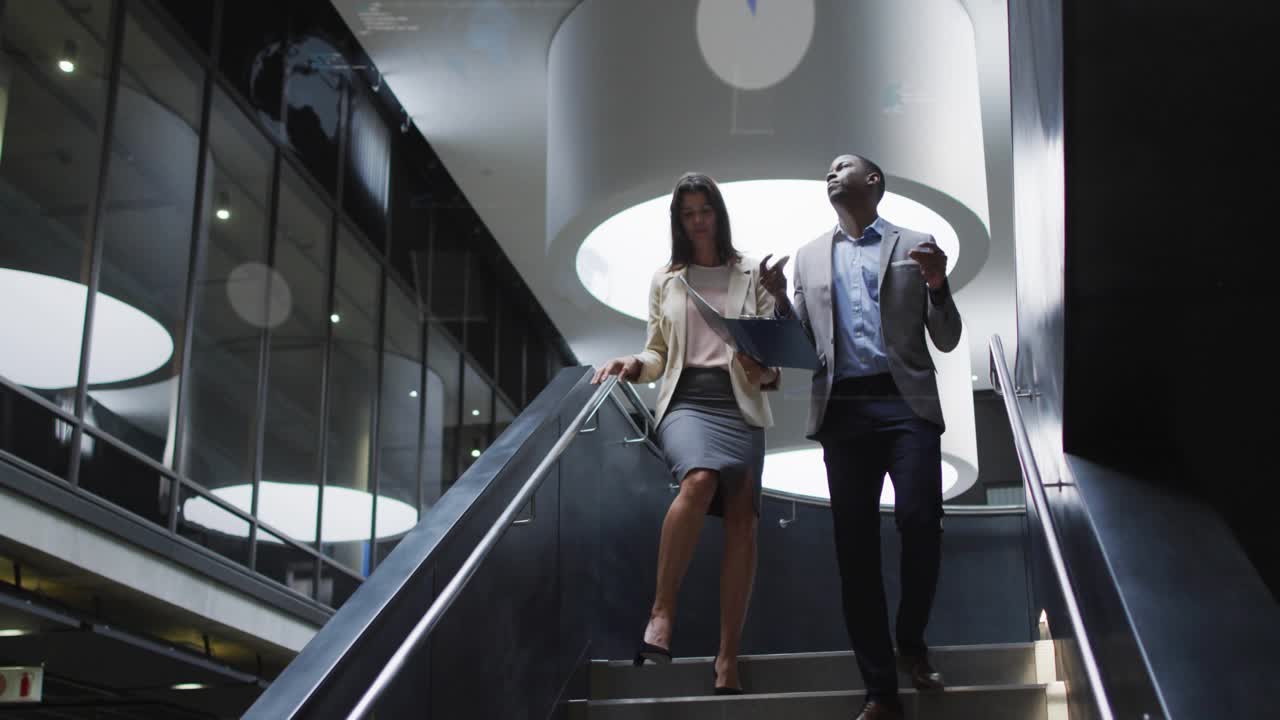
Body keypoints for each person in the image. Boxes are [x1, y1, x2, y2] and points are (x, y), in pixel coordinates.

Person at [759, 154, 962, 720]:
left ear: (873, 181)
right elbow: (800, 347)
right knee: (855, 552)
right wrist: (777, 299)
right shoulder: (808, 257)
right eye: (826, 167)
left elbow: (946, 338)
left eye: (842, 166)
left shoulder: (917, 242)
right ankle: (881, 690)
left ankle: (912, 641)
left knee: (921, 519)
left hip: (906, 403)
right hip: (843, 410)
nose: (830, 171)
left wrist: (939, 286)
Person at [592, 172, 780, 695]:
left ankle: (727, 659)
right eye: (688, 213)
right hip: (687, 401)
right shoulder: (667, 278)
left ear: (719, 213)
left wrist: (759, 362)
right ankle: (661, 614)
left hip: (740, 403)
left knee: (743, 524)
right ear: (678, 221)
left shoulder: (751, 272)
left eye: (705, 210)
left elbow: (769, 354)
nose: (698, 220)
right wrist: (633, 361)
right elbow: (657, 350)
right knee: (697, 479)